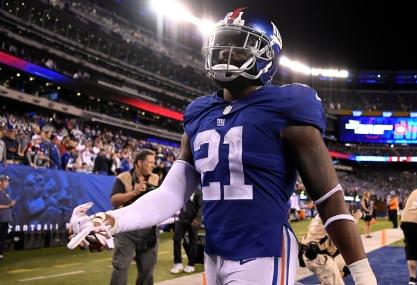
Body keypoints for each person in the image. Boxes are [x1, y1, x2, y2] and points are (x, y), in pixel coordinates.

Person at [67, 8, 376, 285]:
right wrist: (111, 220)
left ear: (266, 55)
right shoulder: (199, 112)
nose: (227, 53)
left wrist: (362, 273)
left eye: (239, 47)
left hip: (263, 252)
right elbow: (171, 194)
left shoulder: (287, 106)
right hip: (214, 255)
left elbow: (329, 199)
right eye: (223, 44)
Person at [109, 149, 161, 285]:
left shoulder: (156, 178)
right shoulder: (123, 177)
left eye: (153, 162)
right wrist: (134, 192)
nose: (153, 165)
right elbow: (114, 200)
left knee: (147, 270)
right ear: (139, 162)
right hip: (126, 230)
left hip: (149, 230)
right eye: (150, 162)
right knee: (120, 267)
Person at [300, 212, 362, 285]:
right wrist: (356, 218)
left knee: (337, 275)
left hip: (315, 254)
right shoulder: (333, 215)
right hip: (317, 256)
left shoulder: (325, 212)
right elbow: (345, 237)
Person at [170, 187, 203, 274]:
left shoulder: (198, 192)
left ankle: (191, 264)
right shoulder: (183, 191)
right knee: (176, 239)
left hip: (193, 221)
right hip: (182, 219)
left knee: (193, 241)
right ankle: (178, 262)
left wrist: (198, 219)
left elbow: (202, 206)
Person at [0, 174, 15, 260]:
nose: (7, 183)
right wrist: (9, 206)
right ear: (0, 182)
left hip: (5, 219)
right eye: (6, 181)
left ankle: (0, 254)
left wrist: (11, 204)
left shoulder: (4, 193)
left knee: (2, 237)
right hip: (1, 219)